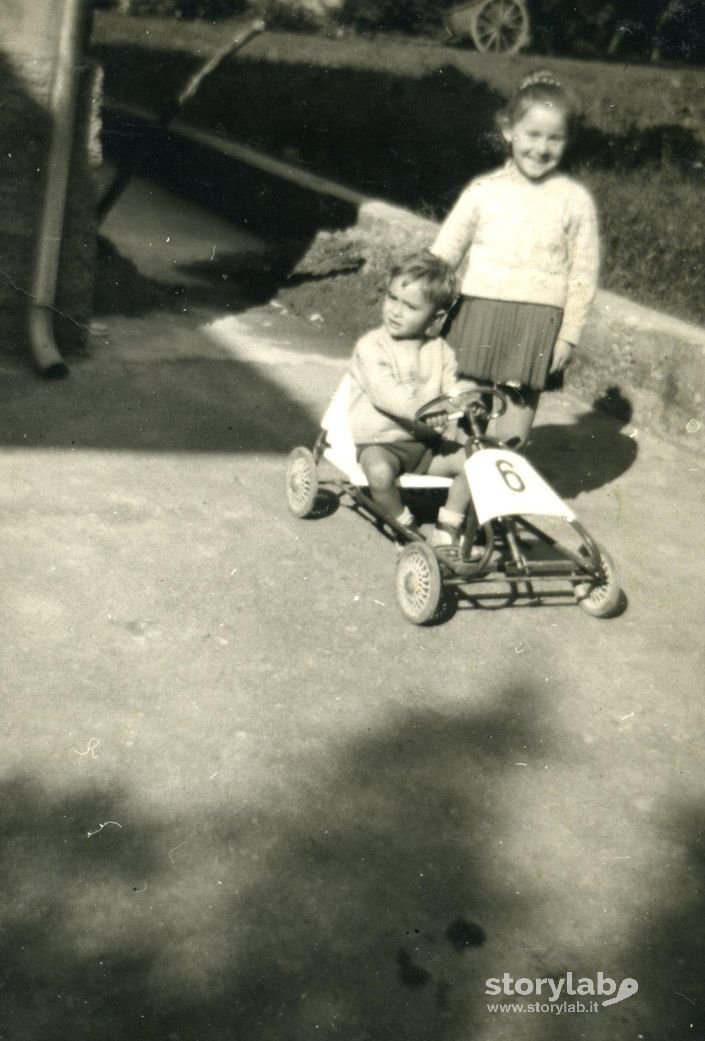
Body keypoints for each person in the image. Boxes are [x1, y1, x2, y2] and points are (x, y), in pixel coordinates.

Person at [430, 70, 600, 450]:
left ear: (567, 141)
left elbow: (582, 276)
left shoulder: (574, 201)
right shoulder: (484, 191)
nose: (542, 148)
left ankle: (490, 507)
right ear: (509, 131)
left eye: (554, 138)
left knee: (512, 430)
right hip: (478, 313)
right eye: (533, 134)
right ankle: (452, 502)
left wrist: (568, 337)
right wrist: (421, 302)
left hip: (537, 325)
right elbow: (444, 253)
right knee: (465, 413)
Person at [347, 251, 475, 548]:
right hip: (381, 443)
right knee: (378, 475)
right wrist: (423, 410)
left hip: (426, 446)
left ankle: (448, 525)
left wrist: (466, 398)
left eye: (410, 306)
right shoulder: (372, 346)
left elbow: (453, 385)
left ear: (437, 317)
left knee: (476, 461)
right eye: (392, 298)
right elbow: (384, 391)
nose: (395, 311)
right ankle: (406, 525)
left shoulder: (439, 349)